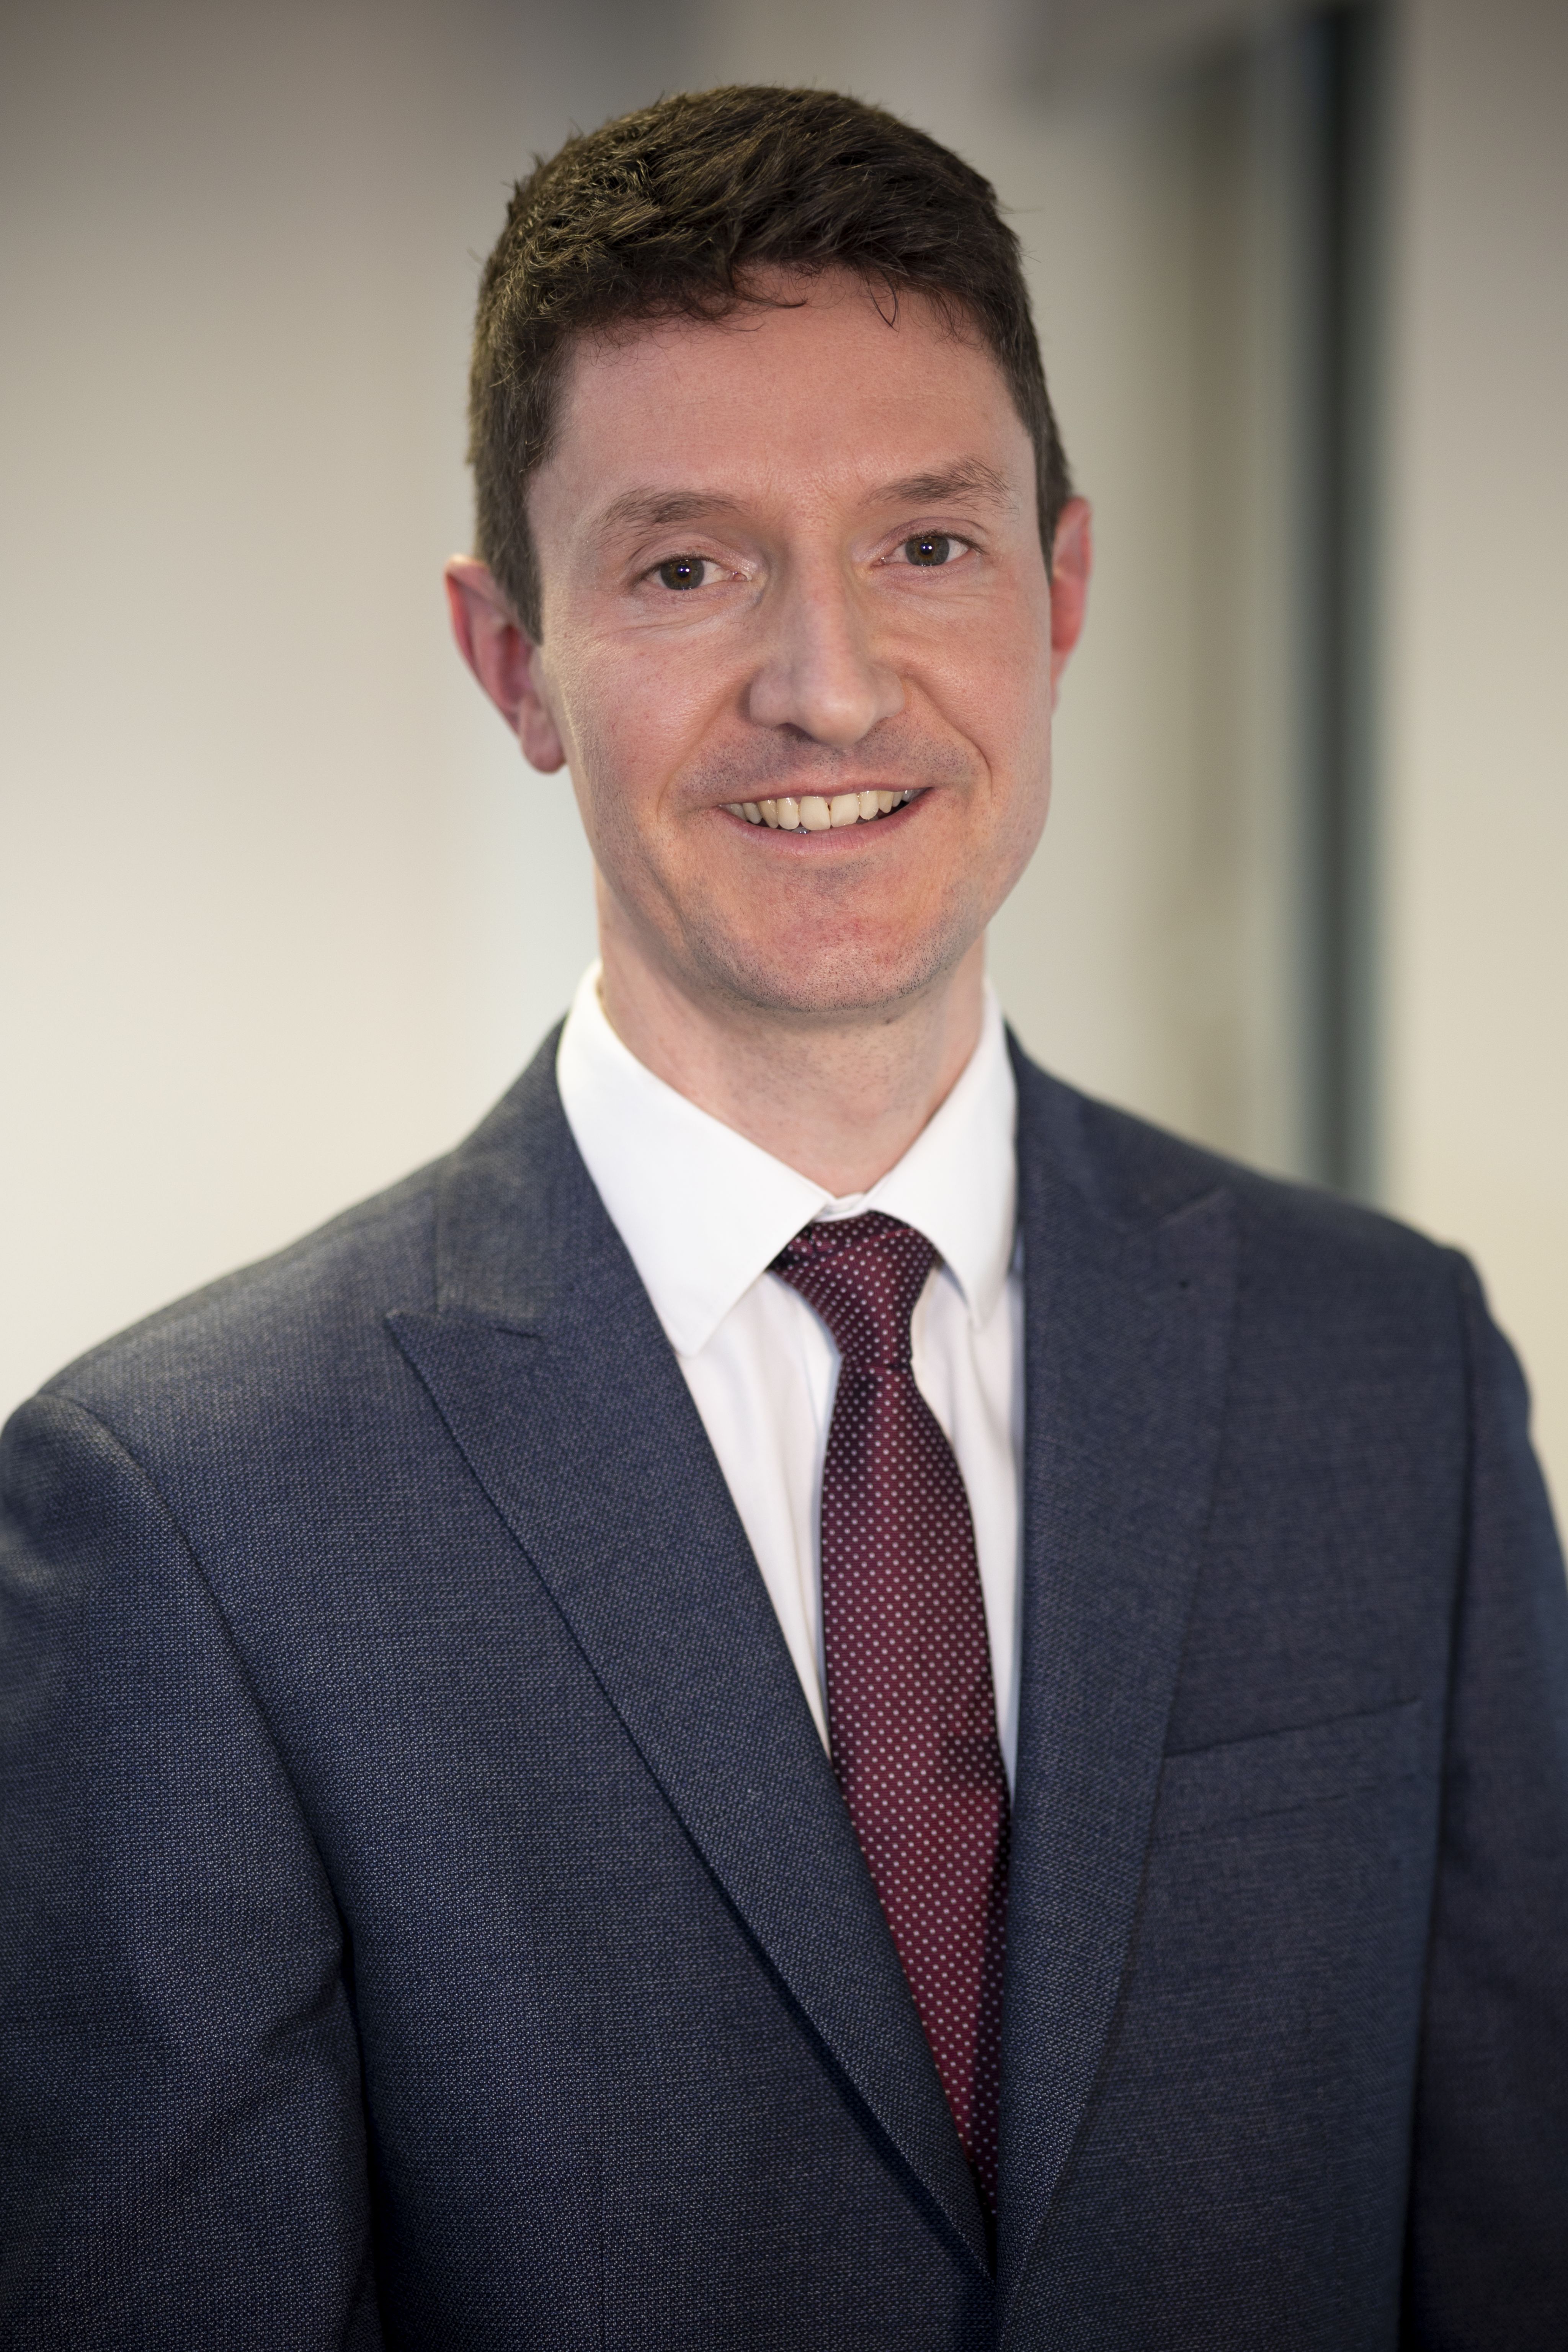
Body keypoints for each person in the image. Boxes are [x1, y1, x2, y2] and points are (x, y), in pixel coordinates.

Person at [2, 82, 1565, 2351]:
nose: (829, 684)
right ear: (514, 659)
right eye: (685, 565)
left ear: (1065, 586)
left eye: (927, 544)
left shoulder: (1390, 1376)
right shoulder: (183, 1521)